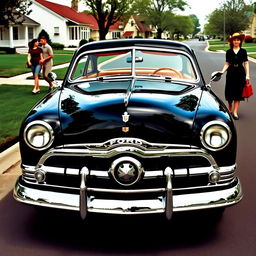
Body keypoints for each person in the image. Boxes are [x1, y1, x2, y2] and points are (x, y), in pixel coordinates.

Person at [220, 33, 250, 120]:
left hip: (240, 73)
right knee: (229, 93)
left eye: (238, 40)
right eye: (234, 40)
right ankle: (230, 107)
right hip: (231, 73)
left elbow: (246, 63)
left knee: (238, 93)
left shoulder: (243, 51)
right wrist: (222, 71)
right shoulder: (229, 52)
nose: (236, 41)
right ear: (232, 41)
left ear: (240, 41)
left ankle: (235, 112)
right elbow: (227, 63)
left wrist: (247, 75)